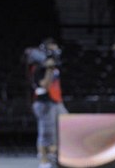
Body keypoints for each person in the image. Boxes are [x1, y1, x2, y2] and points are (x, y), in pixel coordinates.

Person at [30, 38, 68, 168]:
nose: (55, 51)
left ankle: (55, 159)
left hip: (57, 102)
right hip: (44, 103)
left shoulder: (55, 65)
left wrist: (52, 66)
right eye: (52, 49)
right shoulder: (38, 68)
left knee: (65, 128)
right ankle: (44, 162)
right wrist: (49, 69)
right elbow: (44, 86)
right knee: (46, 134)